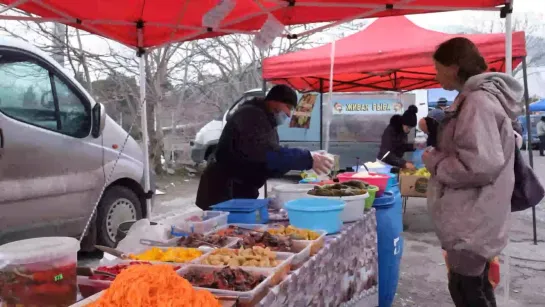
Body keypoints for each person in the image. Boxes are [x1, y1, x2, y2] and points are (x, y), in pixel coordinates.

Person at [422, 37, 523, 307]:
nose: (436, 75)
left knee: (467, 290)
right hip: (478, 215)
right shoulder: (478, 99)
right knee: (473, 287)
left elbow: (479, 165)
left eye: (438, 68)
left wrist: (434, 160)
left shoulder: (477, 102)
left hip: (472, 220)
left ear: (454, 67)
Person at [196, 85, 333, 210]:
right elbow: (265, 154)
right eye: (288, 107)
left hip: (242, 188)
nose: (289, 114)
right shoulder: (250, 116)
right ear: (275, 101)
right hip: (224, 190)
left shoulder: (267, 121)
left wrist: (293, 163)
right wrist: (307, 158)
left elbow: (271, 160)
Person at [377, 105, 419, 170]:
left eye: (411, 128)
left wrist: (413, 146)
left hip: (394, 163)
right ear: (402, 123)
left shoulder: (402, 131)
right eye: (408, 127)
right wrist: (404, 163)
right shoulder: (390, 131)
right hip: (384, 164)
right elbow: (385, 152)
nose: (409, 130)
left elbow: (400, 146)